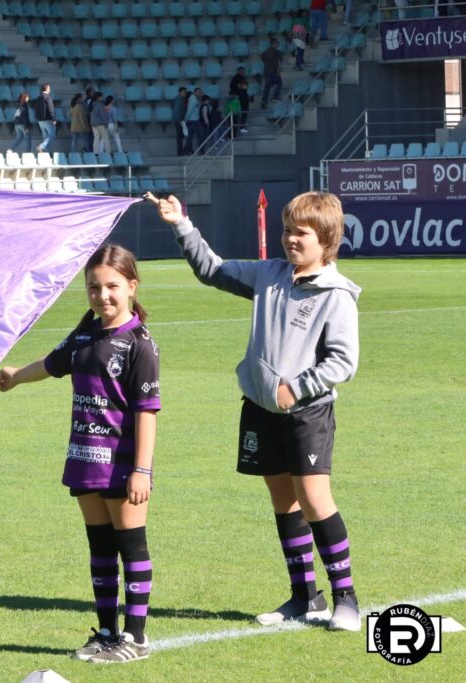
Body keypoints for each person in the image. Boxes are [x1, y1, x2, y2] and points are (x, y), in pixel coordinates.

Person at [146, 191, 361, 633]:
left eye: (300, 233)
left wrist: (295, 390)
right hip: (261, 410)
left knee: (316, 500)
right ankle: (305, 595)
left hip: (307, 414)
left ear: (327, 239)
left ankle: (346, 599)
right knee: (283, 500)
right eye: (286, 231)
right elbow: (212, 270)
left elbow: (343, 361)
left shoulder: (337, 295)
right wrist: (180, 223)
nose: (290, 240)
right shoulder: (269, 275)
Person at [0, 245, 161, 664]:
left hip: (122, 462)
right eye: (94, 287)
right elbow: (53, 363)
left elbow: (146, 413)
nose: (103, 296)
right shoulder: (86, 330)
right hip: (85, 457)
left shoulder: (140, 344)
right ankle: (106, 631)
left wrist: (142, 469)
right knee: (100, 547)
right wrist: (15, 377)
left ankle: (135, 638)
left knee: (130, 546)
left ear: (131, 286)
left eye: (112, 287)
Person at [33, 83, 57, 153]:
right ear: (47, 89)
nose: (50, 89)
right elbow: (50, 109)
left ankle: (47, 154)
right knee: (52, 135)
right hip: (47, 119)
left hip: (40, 120)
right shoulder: (48, 97)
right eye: (49, 88)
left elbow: (35, 109)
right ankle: (41, 146)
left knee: (45, 137)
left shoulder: (38, 98)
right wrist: (54, 119)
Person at [260, 38, 283, 109]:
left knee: (267, 86)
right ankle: (275, 97)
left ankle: (263, 100)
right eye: (277, 43)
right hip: (273, 71)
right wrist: (279, 71)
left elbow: (262, 58)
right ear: (274, 43)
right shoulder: (276, 52)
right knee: (279, 82)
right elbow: (280, 61)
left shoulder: (265, 52)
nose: (278, 44)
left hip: (266, 71)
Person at [228, 67, 250, 134]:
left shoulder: (238, 78)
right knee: (243, 111)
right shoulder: (237, 78)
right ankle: (242, 127)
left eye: (243, 71)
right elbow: (242, 87)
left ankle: (241, 126)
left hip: (240, 96)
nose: (243, 73)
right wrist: (243, 86)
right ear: (238, 71)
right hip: (240, 97)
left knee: (241, 112)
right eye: (241, 71)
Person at [184, 86, 203, 154]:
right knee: (199, 136)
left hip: (193, 121)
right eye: (198, 92)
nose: (200, 93)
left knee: (190, 137)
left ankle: (187, 151)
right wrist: (186, 118)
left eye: (200, 92)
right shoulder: (193, 98)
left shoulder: (195, 99)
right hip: (193, 121)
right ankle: (201, 151)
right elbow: (190, 110)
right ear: (194, 92)